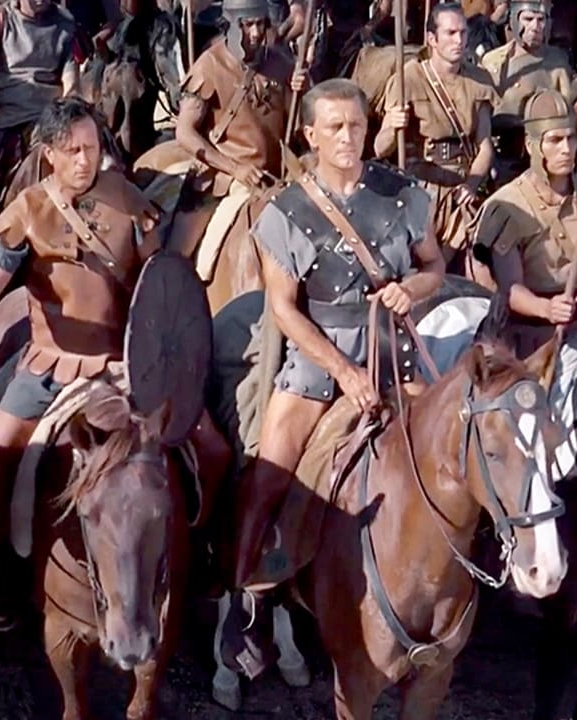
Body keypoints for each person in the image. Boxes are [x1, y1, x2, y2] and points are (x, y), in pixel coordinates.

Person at [0, 97, 227, 627]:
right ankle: (1, 577)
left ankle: (207, 556)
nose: (84, 160)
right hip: (50, 367)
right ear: (49, 153)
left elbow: (158, 280)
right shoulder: (27, 211)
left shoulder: (129, 200)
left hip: (127, 365)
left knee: (212, 449)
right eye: (72, 150)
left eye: (92, 148)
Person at [223, 78, 445, 677]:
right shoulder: (286, 212)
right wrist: (344, 373)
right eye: (336, 127)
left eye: (357, 125)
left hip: (394, 353)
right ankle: (244, 600)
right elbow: (284, 309)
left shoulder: (403, 195)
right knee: (268, 475)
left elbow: (434, 266)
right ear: (310, 135)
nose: (349, 137)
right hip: (318, 363)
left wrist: (412, 288)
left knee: (453, 450)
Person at [474, 89, 577, 371]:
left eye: (571, 138)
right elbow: (510, 288)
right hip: (522, 334)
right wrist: (547, 309)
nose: (566, 149)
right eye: (555, 140)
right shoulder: (507, 206)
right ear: (532, 146)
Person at [164, 0, 300, 262]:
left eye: (260, 24)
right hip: (226, 176)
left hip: (279, 176)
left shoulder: (282, 63)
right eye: (248, 25)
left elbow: (302, 127)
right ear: (233, 25)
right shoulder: (210, 65)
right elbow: (185, 132)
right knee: (187, 257)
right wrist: (235, 168)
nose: (256, 33)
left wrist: (301, 91)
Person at [375, 2, 496, 259]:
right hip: (421, 190)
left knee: (482, 260)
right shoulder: (408, 79)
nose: (459, 40)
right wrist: (394, 126)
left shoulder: (480, 80)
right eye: (450, 33)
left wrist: (472, 185)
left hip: (462, 190)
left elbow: (484, 146)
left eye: (463, 32)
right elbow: (380, 148)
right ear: (432, 38)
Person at [0, 0, 79, 208]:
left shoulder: (65, 22)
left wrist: (69, 102)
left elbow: (70, 75)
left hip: (51, 116)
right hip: (10, 115)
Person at [479, 0, 577, 182]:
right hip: (497, 153)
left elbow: (566, 115)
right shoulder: (493, 61)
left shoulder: (557, 62)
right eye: (528, 19)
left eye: (541, 20)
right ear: (514, 21)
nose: (535, 27)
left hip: (538, 154)